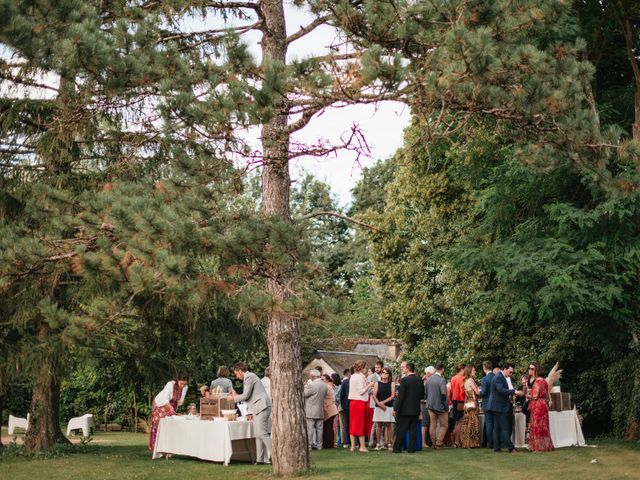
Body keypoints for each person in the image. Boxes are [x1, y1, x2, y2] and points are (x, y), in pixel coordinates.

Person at [230, 362, 272, 464]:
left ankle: (278, 455)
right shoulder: (250, 376)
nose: (237, 376)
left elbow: (246, 396)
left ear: (240, 371)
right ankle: (260, 459)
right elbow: (247, 395)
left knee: (262, 433)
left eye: (236, 373)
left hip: (262, 407)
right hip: (258, 408)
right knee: (258, 434)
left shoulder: (248, 377)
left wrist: (233, 398)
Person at [148, 372, 189, 451]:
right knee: (158, 424)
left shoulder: (185, 387)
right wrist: (170, 407)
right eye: (181, 383)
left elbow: (181, 400)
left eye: (185, 384)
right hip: (161, 405)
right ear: (177, 380)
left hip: (171, 406)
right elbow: (165, 398)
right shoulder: (170, 384)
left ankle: (167, 447)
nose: (183, 386)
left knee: (170, 425)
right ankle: (155, 447)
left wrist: (180, 402)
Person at [486, 364, 520, 453]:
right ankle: (511, 447)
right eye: (510, 372)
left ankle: (497, 448)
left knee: (497, 428)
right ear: (504, 369)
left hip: (497, 406)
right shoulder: (498, 377)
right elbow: (501, 390)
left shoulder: (501, 377)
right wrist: (514, 391)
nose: (511, 374)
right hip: (498, 406)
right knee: (505, 427)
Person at [392, 361, 424, 453]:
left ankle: (397, 448)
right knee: (413, 430)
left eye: (404, 368)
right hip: (415, 408)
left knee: (401, 429)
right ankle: (411, 448)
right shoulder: (419, 380)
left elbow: (401, 396)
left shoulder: (405, 380)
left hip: (405, 409)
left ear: (407, 368)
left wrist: (395, 408)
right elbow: (422, 395)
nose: (403, 369)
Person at [348, 360, 375, 452]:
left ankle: (353, 446)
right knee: (360, 423)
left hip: (353, 402)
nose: (366, 369)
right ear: (362, 368)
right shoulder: (359, 377)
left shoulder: (352, 376)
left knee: (353, 423)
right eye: (365, 367)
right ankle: (362, 447)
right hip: (359, 402)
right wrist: (370, 385)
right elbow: (361, 391)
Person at [527, 362, 554, 452]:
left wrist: (528, 395)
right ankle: (545, 446)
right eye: (529, 368)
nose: (530, 370)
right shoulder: (544, 382)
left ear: (536, 371)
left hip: (537, 405)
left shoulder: (537, 382)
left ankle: (538, 447)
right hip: (544, 405)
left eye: (532, 369)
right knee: (544, 426)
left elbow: (535, 396)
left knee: (537, 426)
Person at [373, 367, 396, 450]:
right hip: (378, 407)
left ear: (389, 375)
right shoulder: (377, 383)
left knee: (388, 425)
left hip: (388, 406)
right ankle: (378, 443)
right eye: (383, 372)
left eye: (386, 373)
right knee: (378, 425)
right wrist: (379, 403)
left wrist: (383, 402)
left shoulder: (392, 384)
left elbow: (393, 395)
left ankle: (389, 443)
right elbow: (374, 395)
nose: (384, 374)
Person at [425, 364, 448, 449]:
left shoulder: (428, 379)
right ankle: (439, 442)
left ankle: (434, 443)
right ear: (442, 369)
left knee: (432, 424)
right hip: (440, 406)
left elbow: (426, 393)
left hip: (430, 405)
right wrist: (446, 407)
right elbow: (443, 395)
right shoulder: (442, 380)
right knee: (444, 425)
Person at [304, 369, 327, 450]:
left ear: (312, 376)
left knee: (310, 429)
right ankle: (319, 446)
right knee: (320, 429)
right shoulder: (324, 385)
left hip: (311, 410)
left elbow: (304, 394)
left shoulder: (312, 385)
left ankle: (309, 446)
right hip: (320, 409)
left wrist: (305, 386)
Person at [460, 365, 480, 448]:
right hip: (472, 403)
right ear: (470, 371)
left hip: (468, 403)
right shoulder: (471, 380)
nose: (475, 372)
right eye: (474, 370)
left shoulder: (466, 380)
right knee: (473, 423)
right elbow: (477, 392)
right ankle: (472, 443)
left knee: (468, 422)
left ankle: (467, 442)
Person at [479, 360, 495, 448]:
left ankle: (490, 443)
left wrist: (479, 392)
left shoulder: (485, 379)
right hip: (496, 403)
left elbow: (484, 392)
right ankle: (495, 441)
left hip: (487, 403)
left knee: (489, 423)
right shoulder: (496, 377)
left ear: (484, 368)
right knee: (495, 423)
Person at [367, 361, 383, 447]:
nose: (377, 369)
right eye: (376, 367)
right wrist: (380, 390)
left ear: (382, 368)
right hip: (374, 402)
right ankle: (372, 441)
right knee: (376, 422)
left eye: (378, 367)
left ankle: (380, 441)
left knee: (383, 422)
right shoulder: (370, 377)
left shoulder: (385, 376)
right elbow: (369, 390)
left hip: (384, 402)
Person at [449, 363, 465, 448]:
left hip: (454, 400)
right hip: (460, 400)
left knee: (456, 421)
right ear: (462, 369)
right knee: (460, 422)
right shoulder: (461, 378)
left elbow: (451, 390)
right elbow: (462, 390)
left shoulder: (453, 378)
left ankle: (454, 441)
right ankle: (457, 441)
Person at [321, 374, 339, 449]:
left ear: (327, 380)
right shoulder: (329, 386)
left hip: (330, 410)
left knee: (328, 428)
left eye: (323, 379)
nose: (321, 381)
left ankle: (329, 445)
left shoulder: (327, 387)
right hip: (331, 409)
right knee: (328, 428)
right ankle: (329, 444)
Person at [421, 366, 435, 448]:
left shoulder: (429, 382)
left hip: (429, 404)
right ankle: (423, 442)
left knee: (430, 423)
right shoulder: (424, 382)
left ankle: (429, 442)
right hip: (424, 404)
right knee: (425, 424)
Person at [338, 368, 351, 448]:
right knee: (347, 424)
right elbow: (342, 395)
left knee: (347, 424)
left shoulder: (346, 382)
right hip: (346, 406)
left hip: (348, 405)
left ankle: (349, 442)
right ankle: (348, 441)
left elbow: (341, 395)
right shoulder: (345, 382)